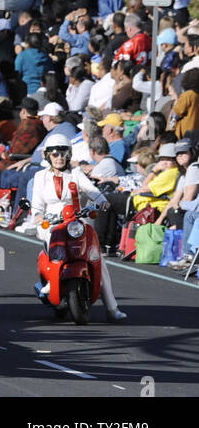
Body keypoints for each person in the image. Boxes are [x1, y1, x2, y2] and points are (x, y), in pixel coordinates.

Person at [26, 134, 126, 321]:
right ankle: (50, 282)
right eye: (55, 154)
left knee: (99, 260)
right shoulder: (40, 177)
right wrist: (38, 216)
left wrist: (102, 201)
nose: (59, 157)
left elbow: (92, 190)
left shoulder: (76, 173)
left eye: (63, 153)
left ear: (69, 154)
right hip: (51, 223)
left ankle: (112, 309)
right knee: (55, 245)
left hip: (75, 222)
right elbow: (37, 206)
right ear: (47, 156)